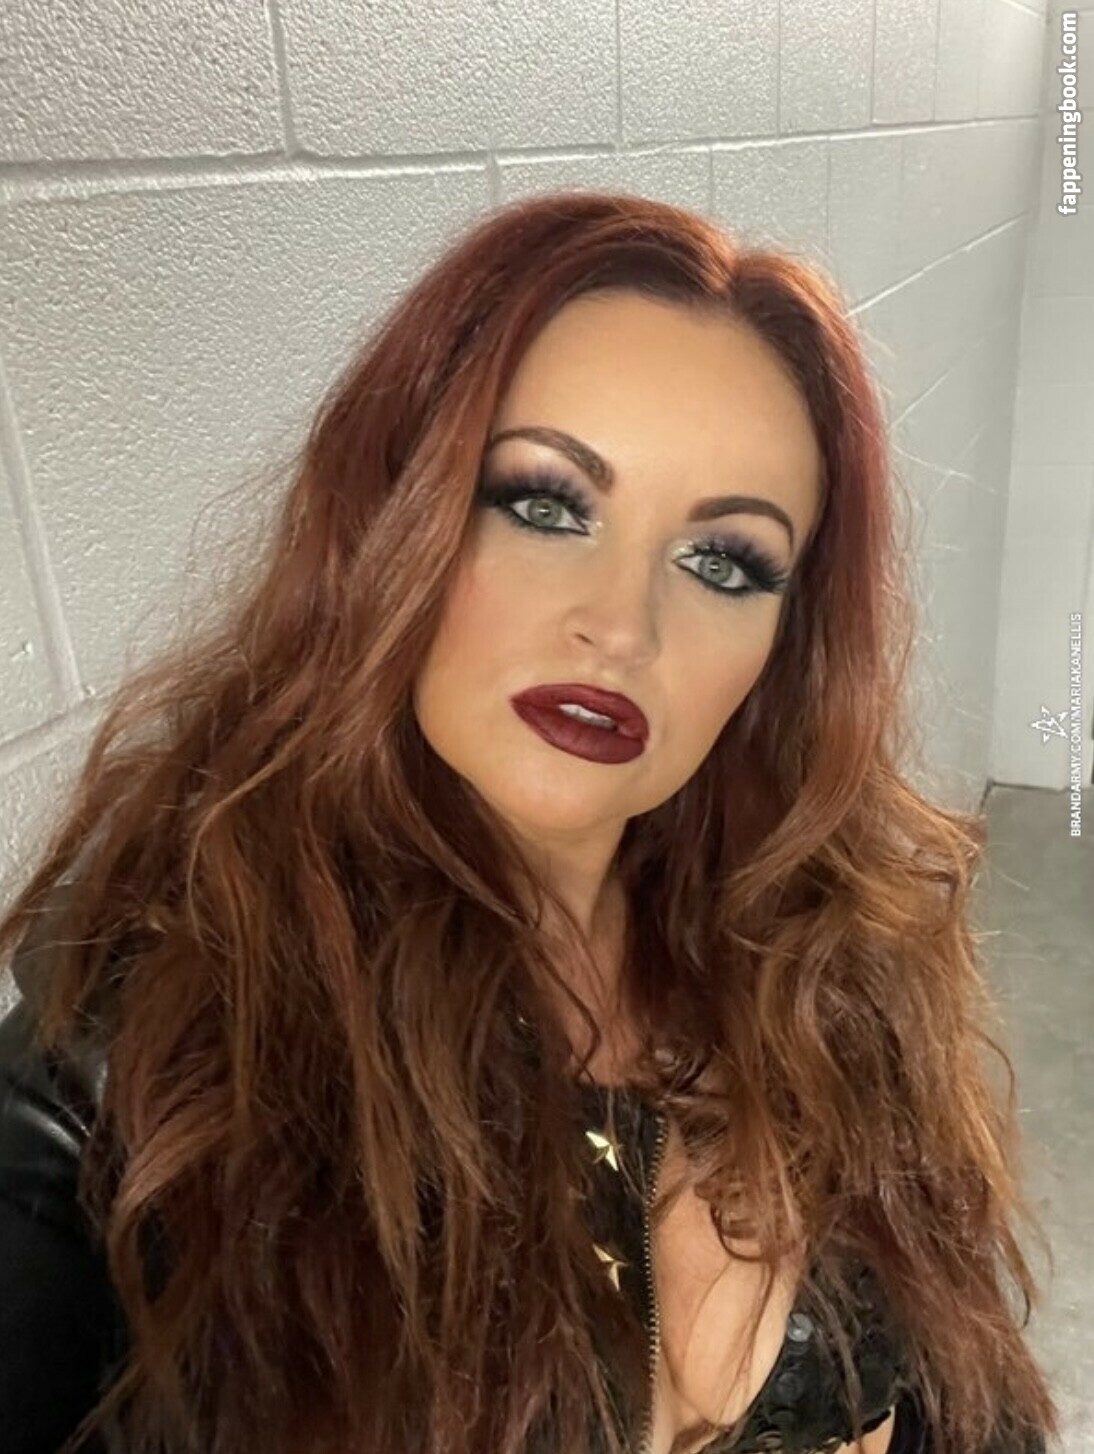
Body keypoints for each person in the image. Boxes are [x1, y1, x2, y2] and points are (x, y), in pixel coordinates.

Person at [0, 191, 1059, 1454]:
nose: (621, 624)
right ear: (392, 519)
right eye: (546, 504)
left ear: (784, 646)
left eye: (722, 561)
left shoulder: (829, 962)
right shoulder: (136, 1073)